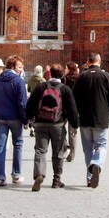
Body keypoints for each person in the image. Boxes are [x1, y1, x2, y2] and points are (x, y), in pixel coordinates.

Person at [25, 63, 78, 191]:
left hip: (41, 123)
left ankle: (39, 174)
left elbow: (30, 104)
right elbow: (72, 109)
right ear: (62, 75)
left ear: (49, 74)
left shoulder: (41, 87)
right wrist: (75, 125)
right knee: (58, 152)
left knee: (40, 150)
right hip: (58, 125)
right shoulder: (65, 89)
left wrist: (29, 119)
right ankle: (56, 180)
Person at [72, 54, 109, 188]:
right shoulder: (106, 77)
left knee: (88, 149)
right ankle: (97, 164)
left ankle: (89, 177)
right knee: (101, 146)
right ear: (100, 61)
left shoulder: (81, 77)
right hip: (101, 118)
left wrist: (75, 119)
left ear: (88, 62)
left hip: (84, 119)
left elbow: (73, 100)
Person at [0, 55, 28, 186]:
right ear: (14, 67)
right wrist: (25, 119)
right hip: (15, 118)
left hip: (0, 117)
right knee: (18, 145)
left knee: (0, 146)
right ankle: (16, 174)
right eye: (20, 67)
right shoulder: (18, 81)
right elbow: (22, 103)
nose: (22, 69)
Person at [64, 62, 81, 162]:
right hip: (75, 108)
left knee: (60, 128)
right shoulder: (79, 79)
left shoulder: (64, 79)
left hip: (65, 107)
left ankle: (65, 145)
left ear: (70, 69)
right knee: (73, 131)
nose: (65, 69)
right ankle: (72, 153)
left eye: (66, 68)